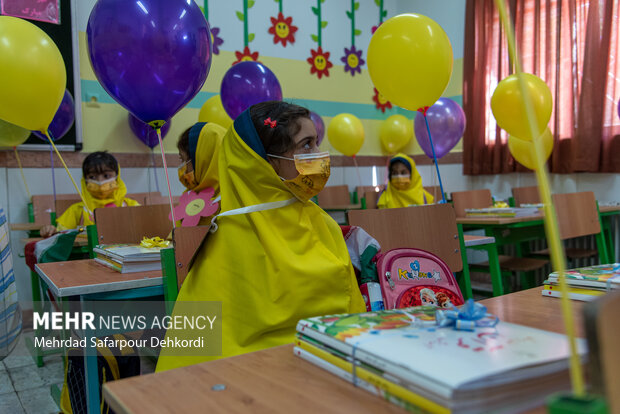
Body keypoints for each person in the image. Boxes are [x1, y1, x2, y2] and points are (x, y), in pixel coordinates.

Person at [156, 101, 365, 371]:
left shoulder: (320, 221)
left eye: (316, 143)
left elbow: (352, 320)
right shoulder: (225, 238)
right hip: (248, 376)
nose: (319, 155)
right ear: (265, 162)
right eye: (306, 145)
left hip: (328, 363)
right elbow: (199, 348)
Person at [40, 151, 139, 237]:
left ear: (117, 177)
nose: (100, 181)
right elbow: (61, 233)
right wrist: (50, 230)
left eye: (106, 175)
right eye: (92, 177)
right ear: (85, 180)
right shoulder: (77, 210)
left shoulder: (131, 206)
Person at [175, 122, 226, 225]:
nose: (183, 170)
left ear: (203, 161)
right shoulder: (191, 195)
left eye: (184, 160)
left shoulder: (228, 206)